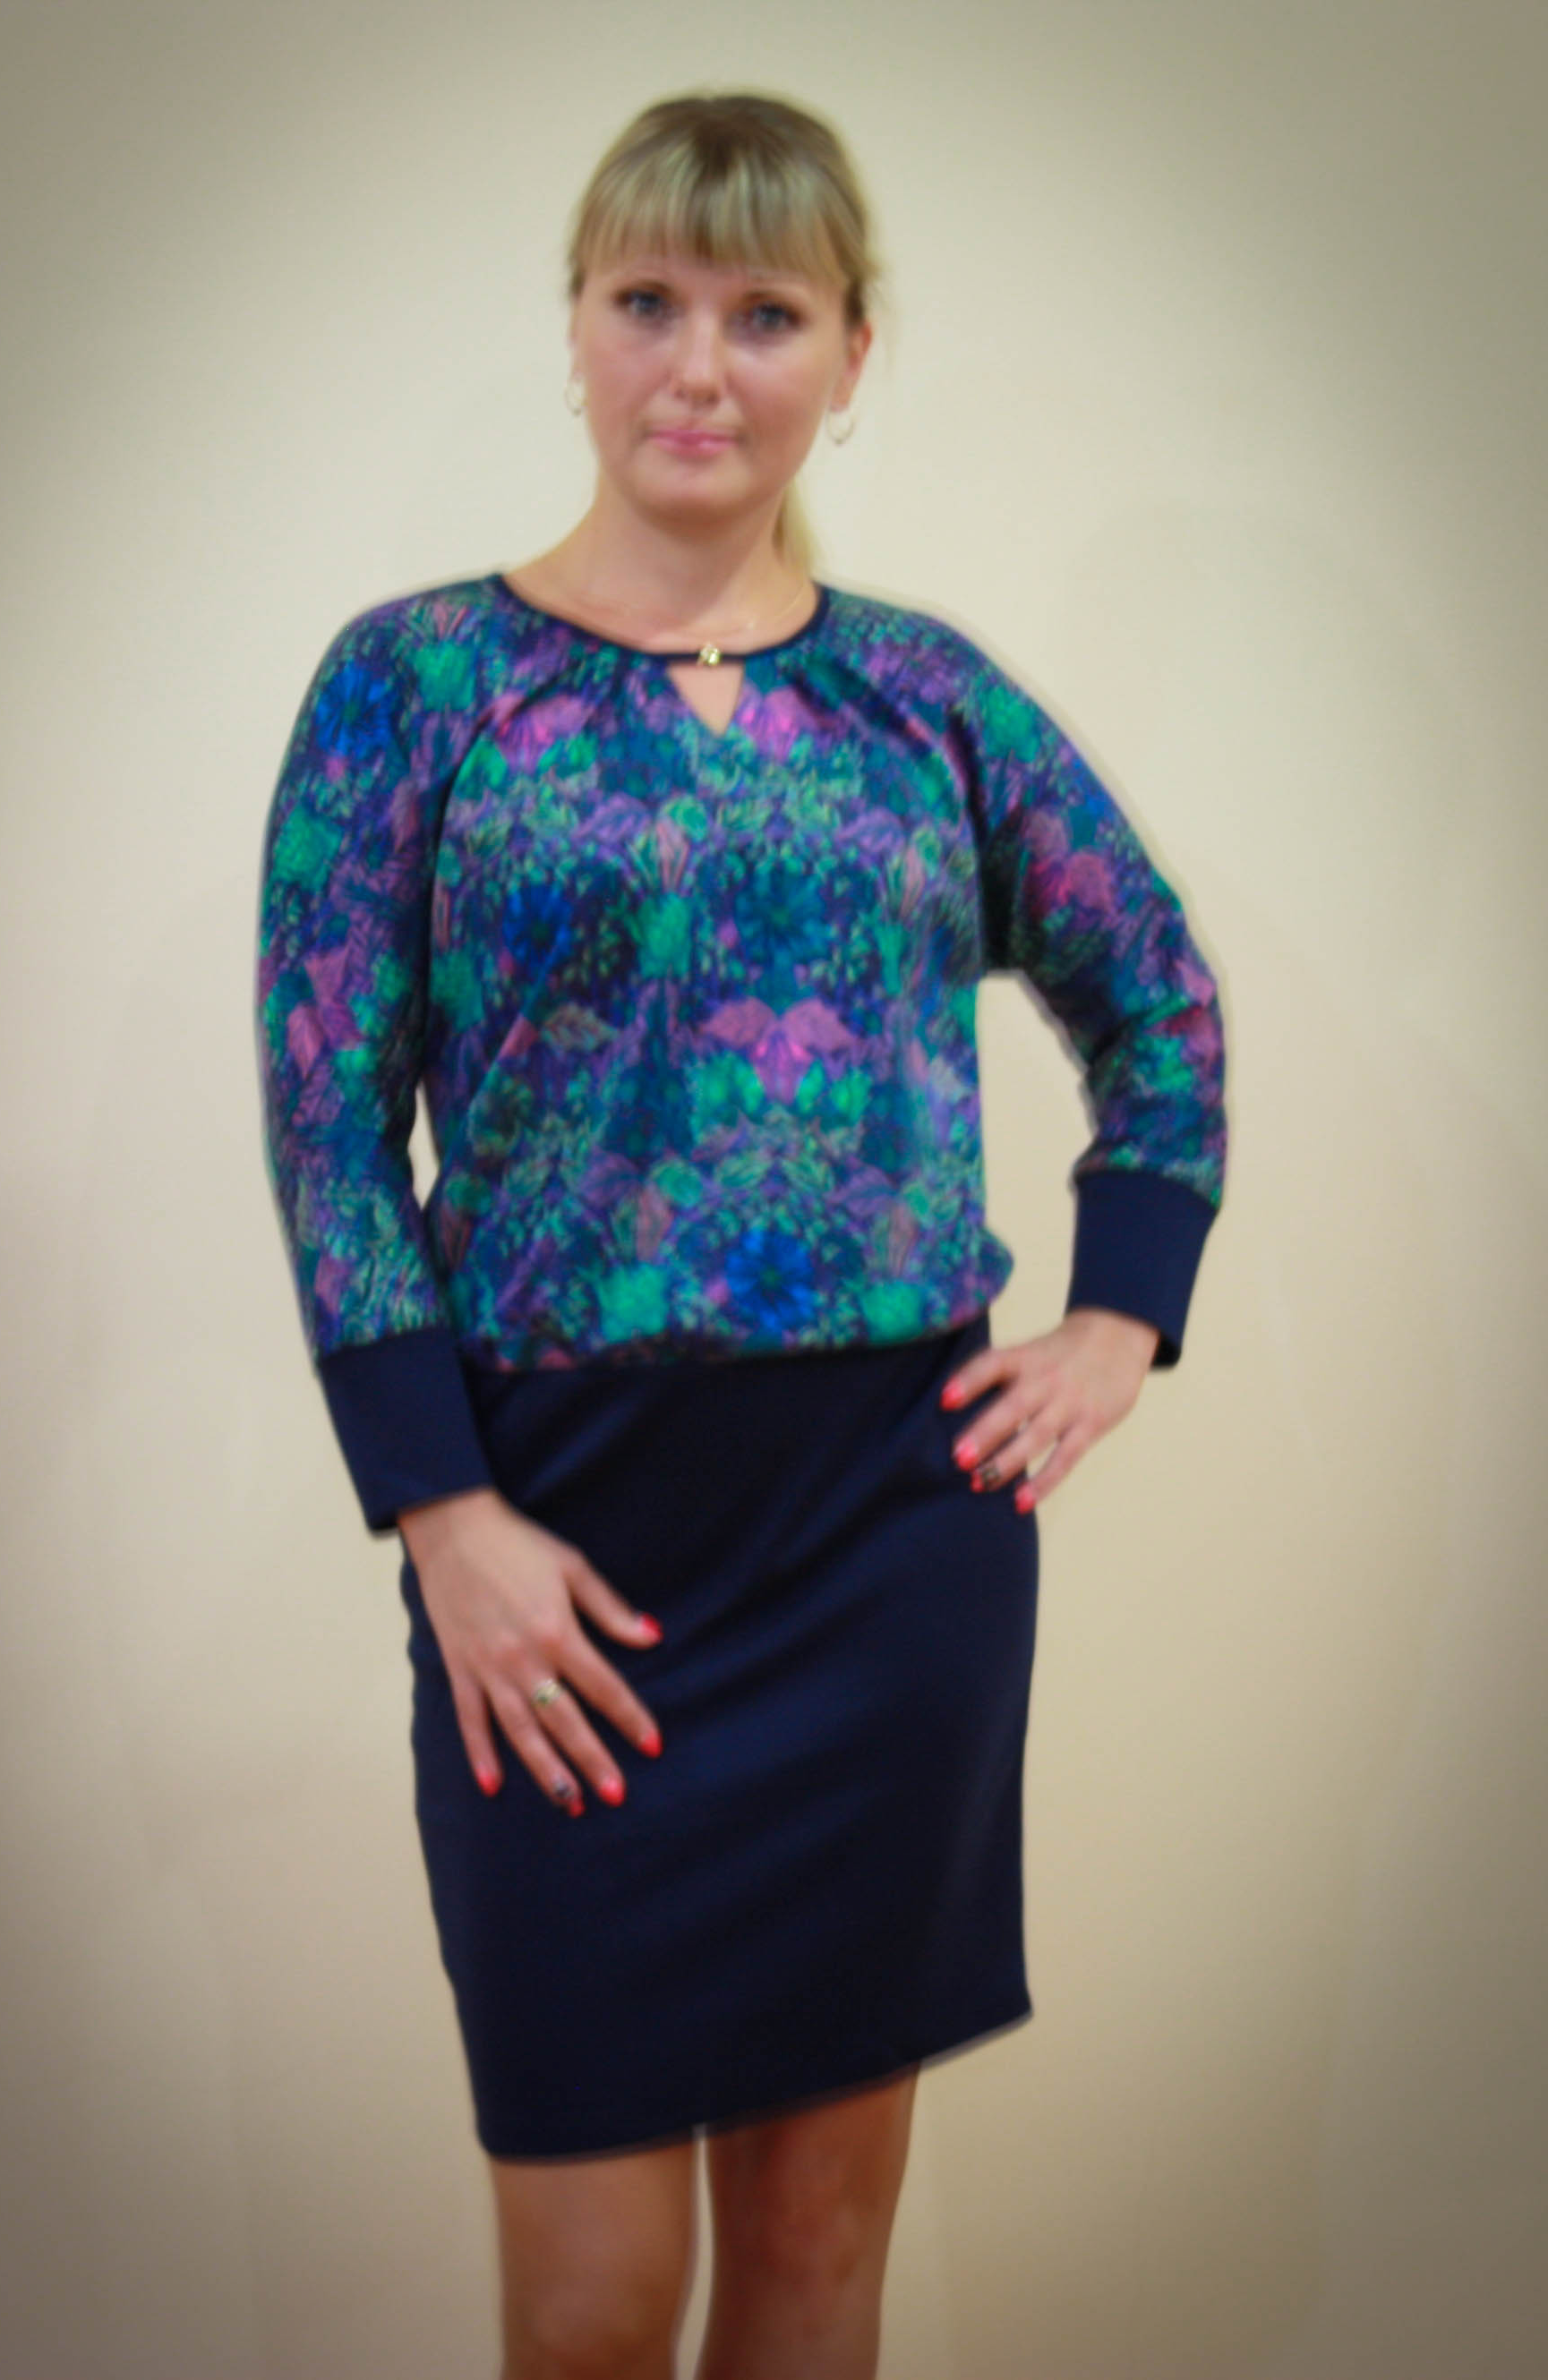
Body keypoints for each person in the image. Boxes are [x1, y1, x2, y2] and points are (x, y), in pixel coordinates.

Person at [254, 87, 1226, 2380]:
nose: (700, 363)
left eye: (765, 313)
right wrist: (444, 1515)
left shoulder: (926, 697)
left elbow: (1158, 1003)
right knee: (592, 2301)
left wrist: (1117, 1318)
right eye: (649, 302)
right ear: (577, 331)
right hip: (551, 1548)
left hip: (883, 1549)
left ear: (851, 355)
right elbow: (323, 1112)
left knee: (813, 2261)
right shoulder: (416, 685)